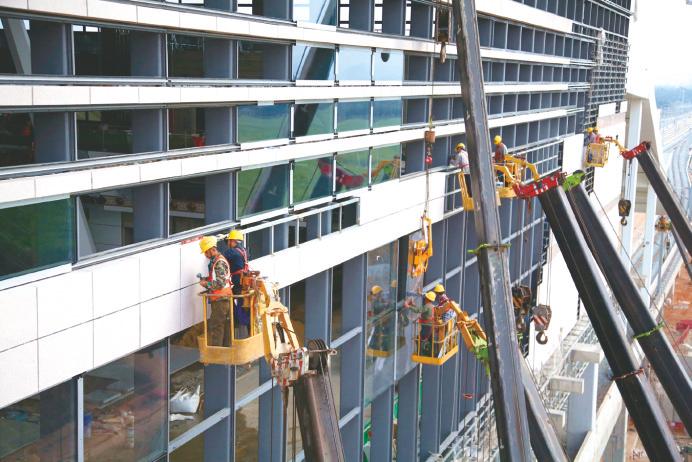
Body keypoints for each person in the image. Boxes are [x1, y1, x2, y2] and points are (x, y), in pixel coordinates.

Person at [198, 236, 232, 346]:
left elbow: (220, 283)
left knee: (216, 326)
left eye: (206, 252)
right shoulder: (217, 261)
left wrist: (206, 284)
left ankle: (217, 352)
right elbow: (218, 280)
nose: (205, 255)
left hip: (220, 300)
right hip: (223, 299)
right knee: (224, 326)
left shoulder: (219, 263)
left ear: (212, 249)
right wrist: (207, 281)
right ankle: (225, 349)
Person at [223, 229, 250, 339]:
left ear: (233, 241)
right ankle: (241, 322)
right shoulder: (244, 250)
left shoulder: (232, 252)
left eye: (229, 241)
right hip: (243, 280)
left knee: (233, 300)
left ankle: (237, 321)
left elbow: (222, 257)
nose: (228, 243)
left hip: (238, 281)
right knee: (243, 303)